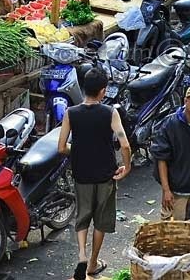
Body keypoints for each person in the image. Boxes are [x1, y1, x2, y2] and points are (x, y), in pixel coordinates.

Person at [58, 68, 131, 280]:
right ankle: (92, 263)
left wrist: (78, 149)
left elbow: (62, 147)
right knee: (101, 221)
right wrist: (127, 167)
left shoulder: (71, 113)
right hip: (106, 175)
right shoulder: (110, 112)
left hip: (82, 173)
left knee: (82, 217)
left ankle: (81, 254)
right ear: (103, 91)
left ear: (83, 89)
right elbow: (124, 144)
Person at [151, 84, 190, 221]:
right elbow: (161, 159)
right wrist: (166, 190)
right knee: (173, 230)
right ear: (186, 101)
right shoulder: (170, 125)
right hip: (177, 189)